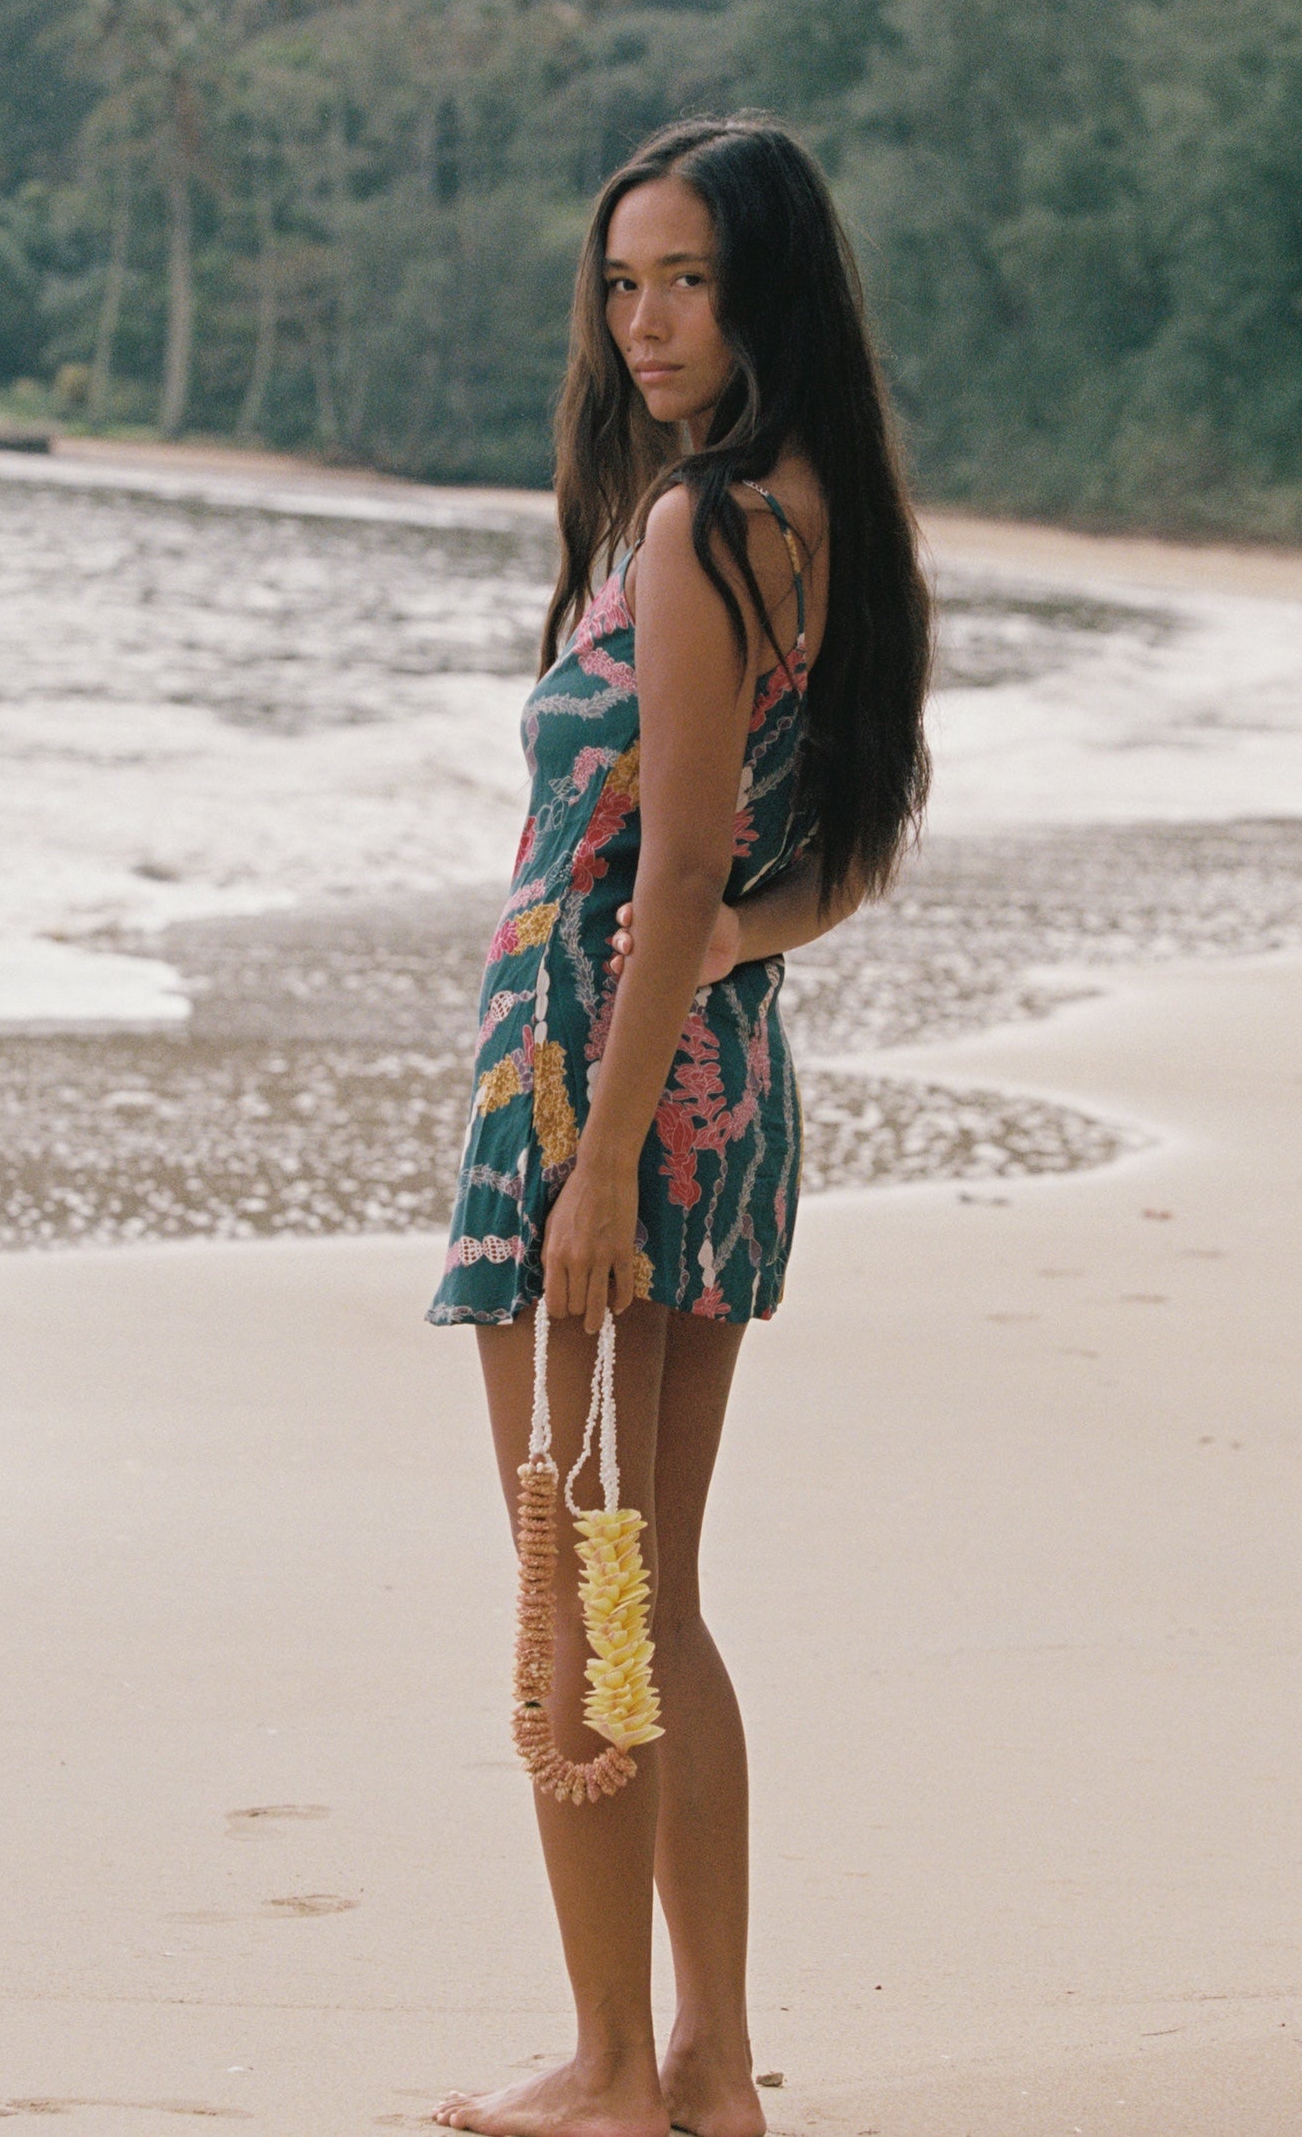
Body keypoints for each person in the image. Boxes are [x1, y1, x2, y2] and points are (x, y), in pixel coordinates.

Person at [429, 115, 932, 2137]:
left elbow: (669, 869)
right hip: (702, 1072)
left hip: (601, 1087)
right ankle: (700, 2056)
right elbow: (820, 861)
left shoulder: (700, 528)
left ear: (766, 288)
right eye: (620, 280)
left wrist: (600, 1155)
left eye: (687, 280)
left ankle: (614, 2064)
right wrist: (714, 957)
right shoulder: (811, 515)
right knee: (651, 1582)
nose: (643, 321)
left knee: (571, 1580)